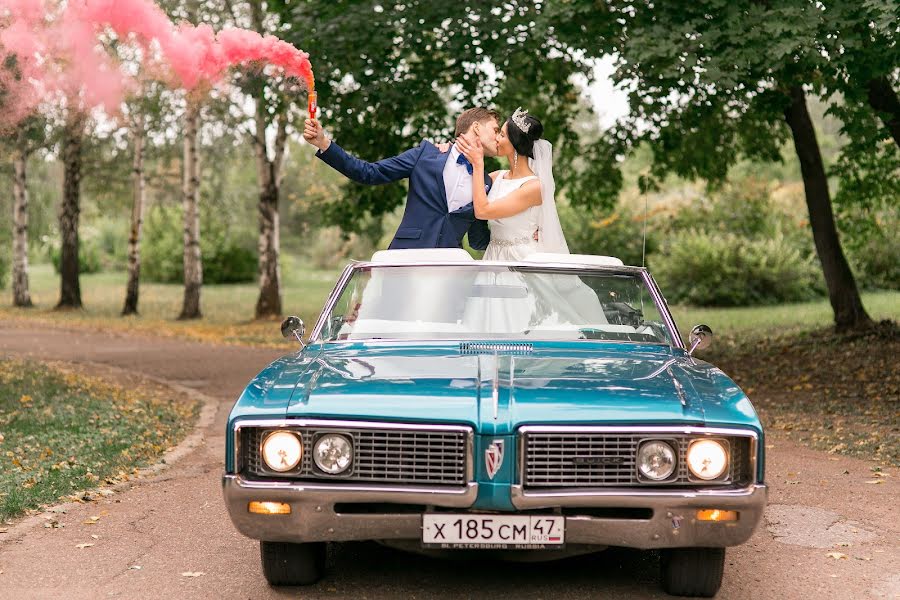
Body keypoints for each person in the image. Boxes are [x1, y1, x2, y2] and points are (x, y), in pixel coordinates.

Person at [302, 108, 501, 250]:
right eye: (495, 130)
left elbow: (478, 240)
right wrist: (324, 143)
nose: (498, 137)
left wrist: (520, 234)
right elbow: (369, 173)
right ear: (476, 127)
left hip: (448, 272)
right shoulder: (425, 155)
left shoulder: (485, 182)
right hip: (405, 261)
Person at [455, 106, 569, 260]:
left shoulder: (534, 187)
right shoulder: (495, 177)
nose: (496, 138)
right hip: (493, 255)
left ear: (514, 144)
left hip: (520, 258)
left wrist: (478, 163)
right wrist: (447, 148)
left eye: (501, 134)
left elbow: (483, 211)